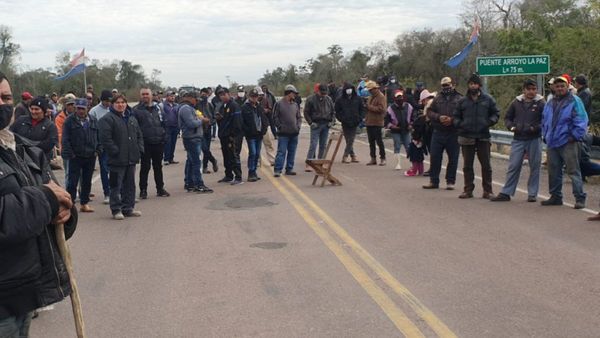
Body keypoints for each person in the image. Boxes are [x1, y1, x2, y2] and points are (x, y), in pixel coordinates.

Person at [0, 71, 78, 338]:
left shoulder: (22, 149)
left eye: (5, 97)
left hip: (24, 291)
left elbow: (56, 196)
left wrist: (65, 212)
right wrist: (44, 200)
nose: (2, 104)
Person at [491, 79, 545, 202]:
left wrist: (534, 128)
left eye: (533, 89)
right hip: (518, 138)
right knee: (513, 165)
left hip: (534, 138)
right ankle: (506, 192)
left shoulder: (541, 103)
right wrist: (511, 127)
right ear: (524, 90)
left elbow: (546, 120)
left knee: (535, 167)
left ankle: (532, 194)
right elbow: (507, 117)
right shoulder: (516, 102)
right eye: (528, 89)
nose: (531, 92)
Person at [540, 75, 588, 210]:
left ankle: (580, 198)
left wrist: (574, 136)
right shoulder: (550, 102)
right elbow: (544, 119)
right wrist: (545, 134)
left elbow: (582, 120)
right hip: (552, 141)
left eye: (562, 86)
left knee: (573, 171)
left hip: (568, 141)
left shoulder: (574, 100)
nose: (560, 88)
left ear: (567, 86)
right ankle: (555, 196)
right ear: (554, 87)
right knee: (553, 170)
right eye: (557, 86)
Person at [453, 73, 500, 199]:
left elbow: (496, 113)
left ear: (479, 85)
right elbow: (455, 116)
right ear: (468, 85)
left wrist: (488, 122)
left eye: (475, 83)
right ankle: (468, 190)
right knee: (467, 166)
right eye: (471, 84)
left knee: (486, 165)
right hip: (466, 136)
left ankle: (488, 190)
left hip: (483, 136)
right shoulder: (462, 101)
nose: (473, 86)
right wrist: (461, 124)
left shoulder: (488, 99)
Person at [98, 94, 144, 220]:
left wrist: (139, 149)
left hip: (131, 158)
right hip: (116, 160)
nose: (120, 105)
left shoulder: (132, 118)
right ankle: (116, 209)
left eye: (123, 102)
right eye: (117, 102)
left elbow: (139, 135)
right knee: (115, 186)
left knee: (130, 185)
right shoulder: (107, 119)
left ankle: (128, 208)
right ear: (113, 104)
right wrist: (115, 151)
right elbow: (105, 139)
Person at [62, 98, 101, 212]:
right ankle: (70, 204)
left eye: (82, 109)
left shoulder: (93, 120)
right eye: (78, 108)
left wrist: (98, 150)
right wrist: (70, 154)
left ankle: (84, 203)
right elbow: (65, 139)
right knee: (72, 182)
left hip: (90, 155)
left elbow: (99, 137)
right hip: (75, 156)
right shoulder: (69, 121)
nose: (80, 111)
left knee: (87, 181)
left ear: (87, 108)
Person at [423, 77, 462, 190]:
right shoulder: (437, 98)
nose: (446, 87)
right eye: (443, 86)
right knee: (435, 157)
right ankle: (433, 181)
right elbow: (429, 111)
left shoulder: (460, 99)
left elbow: (464, 114)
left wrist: (452, 120)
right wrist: (439, 117)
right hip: (438, 132)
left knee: (453, 158)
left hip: (453, 132)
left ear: (452, 85)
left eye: (448, 85)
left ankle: (450, 181)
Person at [132, 88, 170, 199]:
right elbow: (134, 128)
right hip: (145, 143)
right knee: (145, 168)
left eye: (147, 94)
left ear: (151, 95)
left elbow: (164, 123)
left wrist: (164, 137)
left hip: (159, 142)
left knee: (158, 167)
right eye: (143, 94)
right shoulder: (136, 110)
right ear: (140, 96)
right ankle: (143, 190)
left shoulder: (158, 108)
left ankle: (160, 189)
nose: (145, 96)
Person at [178, 91, 213, 193]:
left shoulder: (189, 108)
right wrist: (202, 121)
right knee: (197, 162)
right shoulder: (185, 109)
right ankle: (199, 184)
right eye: (195, 99)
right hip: (191, 138)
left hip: (194, 137)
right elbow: (191, 123)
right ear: (190, 98)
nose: (196, 101)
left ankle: (189, 183)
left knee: (191, 161)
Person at [10, 96, 58, 161]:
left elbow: (49, 144)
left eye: (36, 109)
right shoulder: (21, 120)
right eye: (32, 109)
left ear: (43, 110)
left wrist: (30, 146)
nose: (33, 111)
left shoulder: (50, 126)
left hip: (40, 161)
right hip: (20, 159)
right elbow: (10, 134)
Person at [215, 87, 244, 185]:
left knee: (233, 156)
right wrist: (219, 118)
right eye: (220, 95)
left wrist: (233, 135)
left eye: (224, 94)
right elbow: (223, 120)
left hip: (232, 136)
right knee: (226, 156)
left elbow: (237, 122)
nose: (222, 96)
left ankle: (238, 177)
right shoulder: (222, 106)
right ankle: (228, 175)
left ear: (229, 94)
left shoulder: (234, 105)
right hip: (224, 135)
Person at [304, 83, 335, 172]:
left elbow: (333, 112)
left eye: (325, 93)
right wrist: (310, 123)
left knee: (323, 145)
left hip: (326, 125)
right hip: (316, 124)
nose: (324, 95)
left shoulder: (329, 99)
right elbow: (306, 112)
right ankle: (309, 163)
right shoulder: (311, 99)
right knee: (313, 144)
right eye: (322, 93)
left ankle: (320, 162)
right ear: (318, 91)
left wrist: (331, 122)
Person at [89, 90, 113, 204]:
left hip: (115, 143)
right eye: (107, 101)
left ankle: (118, 192)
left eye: (110, 101)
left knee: (117, 169)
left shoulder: (114, 108)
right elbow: (92, 130)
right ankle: (107, 193)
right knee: (104, 169)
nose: (109, 103)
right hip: (102, 145)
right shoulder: (94, 111)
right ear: (102, 100)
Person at [273, 85, 302, 177]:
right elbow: (275, 117)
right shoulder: (279, 104)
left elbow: (299, 117)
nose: (295, 95)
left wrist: (298, 127)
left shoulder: (295, 104)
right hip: (283, 134)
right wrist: (280, 126)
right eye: (294, 93)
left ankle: (289, 168)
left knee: (292, 151)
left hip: (294, 133)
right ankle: (278, 169)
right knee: (281, 152)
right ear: (289, 93)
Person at [242, 88, 269, 182]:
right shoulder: (245, 107)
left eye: (256, 96)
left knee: (257, 154)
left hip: (259, 134)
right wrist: (247, 131)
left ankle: (254, 172)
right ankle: (251, 172)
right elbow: (242, 122)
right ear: (249, 97)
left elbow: (264, 119)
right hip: (251, 135)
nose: (254, 98)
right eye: (252, 96)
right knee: (252, 153)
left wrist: (264, 129)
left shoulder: (259, 107)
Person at [335, 83, 364, 163]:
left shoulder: (358, 98)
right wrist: (341, 119)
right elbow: (337, 111)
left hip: (355, 122)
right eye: (347, 88)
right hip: (345, 122)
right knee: (348, 140)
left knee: (351, 139)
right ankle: (353, 156)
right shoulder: (340, 99)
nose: (349, 90)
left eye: (350, 88)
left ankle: (345, 155)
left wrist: (359, 119)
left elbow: (362, 110)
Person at [385, 89, 414, 170]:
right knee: (397, 145)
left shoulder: (409, 106)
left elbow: (413, 117)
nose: (399, 99)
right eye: (398, 97)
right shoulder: (390, 108)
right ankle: (398, 164)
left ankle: (412, 163)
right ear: (395, 98)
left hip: (406, 130)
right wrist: (392, 126)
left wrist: (411, 125)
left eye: (401, 97)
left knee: (408, 146)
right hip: (395, 130)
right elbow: (387, 120)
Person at [364, 80, 387, 166]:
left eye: (370, 90)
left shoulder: (381, 97)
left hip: (377, 122)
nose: (369, 91)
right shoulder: (371, 96)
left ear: (375, 89)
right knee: (371, 142)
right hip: (369, 122)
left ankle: (383, 158)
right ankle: (373, 158)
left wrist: (369, 107)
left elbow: (381, 109)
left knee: (379, 141)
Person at [197, 88, 218, 174]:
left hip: (208, 129)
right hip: (199, 129)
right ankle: (213, 160)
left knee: (207, 149)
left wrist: (211, 122)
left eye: (206, 94)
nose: (204, 95)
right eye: (203, 94)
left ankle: (205, 167)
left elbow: (214, 117)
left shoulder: (210, 105)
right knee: (204, 149)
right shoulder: (197, 105)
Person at [160, 90, 180, 165]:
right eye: (171, 96)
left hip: (175, 126)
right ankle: (166, 159)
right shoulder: (162, 105)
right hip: (166, 127)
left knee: (173, 143)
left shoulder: (176, 105)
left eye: (173, 96)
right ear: (167, 97)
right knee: (167, 143)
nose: (172, 97)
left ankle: (171, 158)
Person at [259, 84, 277, 165]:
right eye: (259, 95)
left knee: (268, 144)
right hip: (255, 128)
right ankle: (257, 161)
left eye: (261, 95)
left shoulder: (267, 98)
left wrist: (266, 110)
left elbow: (270, 108)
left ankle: (272, 160)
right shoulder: (250, 104)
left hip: (265, 124)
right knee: (256, 147)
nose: (260, 96)